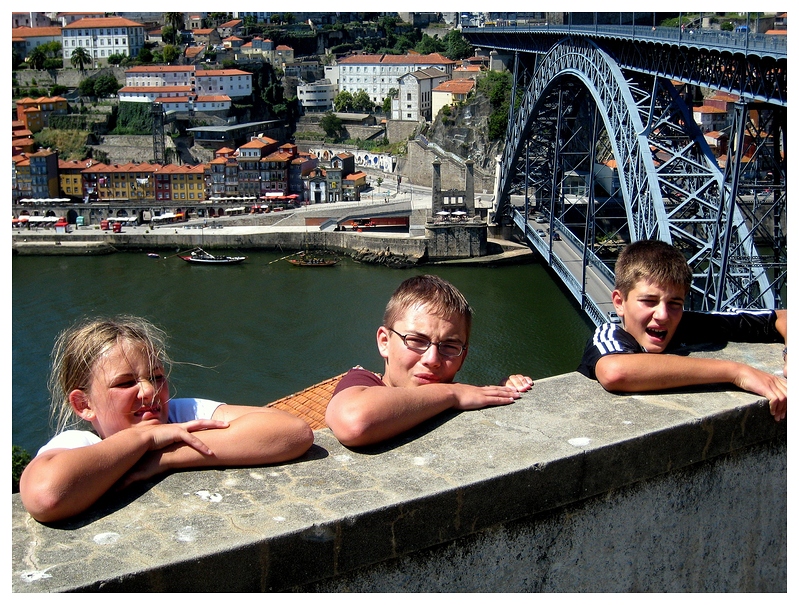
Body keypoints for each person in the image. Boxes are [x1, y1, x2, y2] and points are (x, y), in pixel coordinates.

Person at [20, 316, 314, 523]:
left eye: (157, 377)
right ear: (83, 404)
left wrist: (164, 457)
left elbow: (292, 432)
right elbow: (46, 495)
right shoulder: (80, 443)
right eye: (125, 384)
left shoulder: (180, 415)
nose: (149, 391)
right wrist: (143, 438)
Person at [577, 239, 787, 421]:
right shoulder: (608, 335)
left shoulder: (691, 323)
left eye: (675, 303)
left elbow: (783, 316)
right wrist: (737, 372)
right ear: (619, 302)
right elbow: (615, 371)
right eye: (649, 301)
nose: (663, 315)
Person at [325, 275, 534, 447]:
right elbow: (354, 422)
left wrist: (507, 389)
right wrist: (452, 393)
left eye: (450, 347)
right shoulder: (362, 381)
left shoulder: (459, 395)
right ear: (384, 342)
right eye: (415, 340)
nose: (432, 359)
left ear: (463, 356)